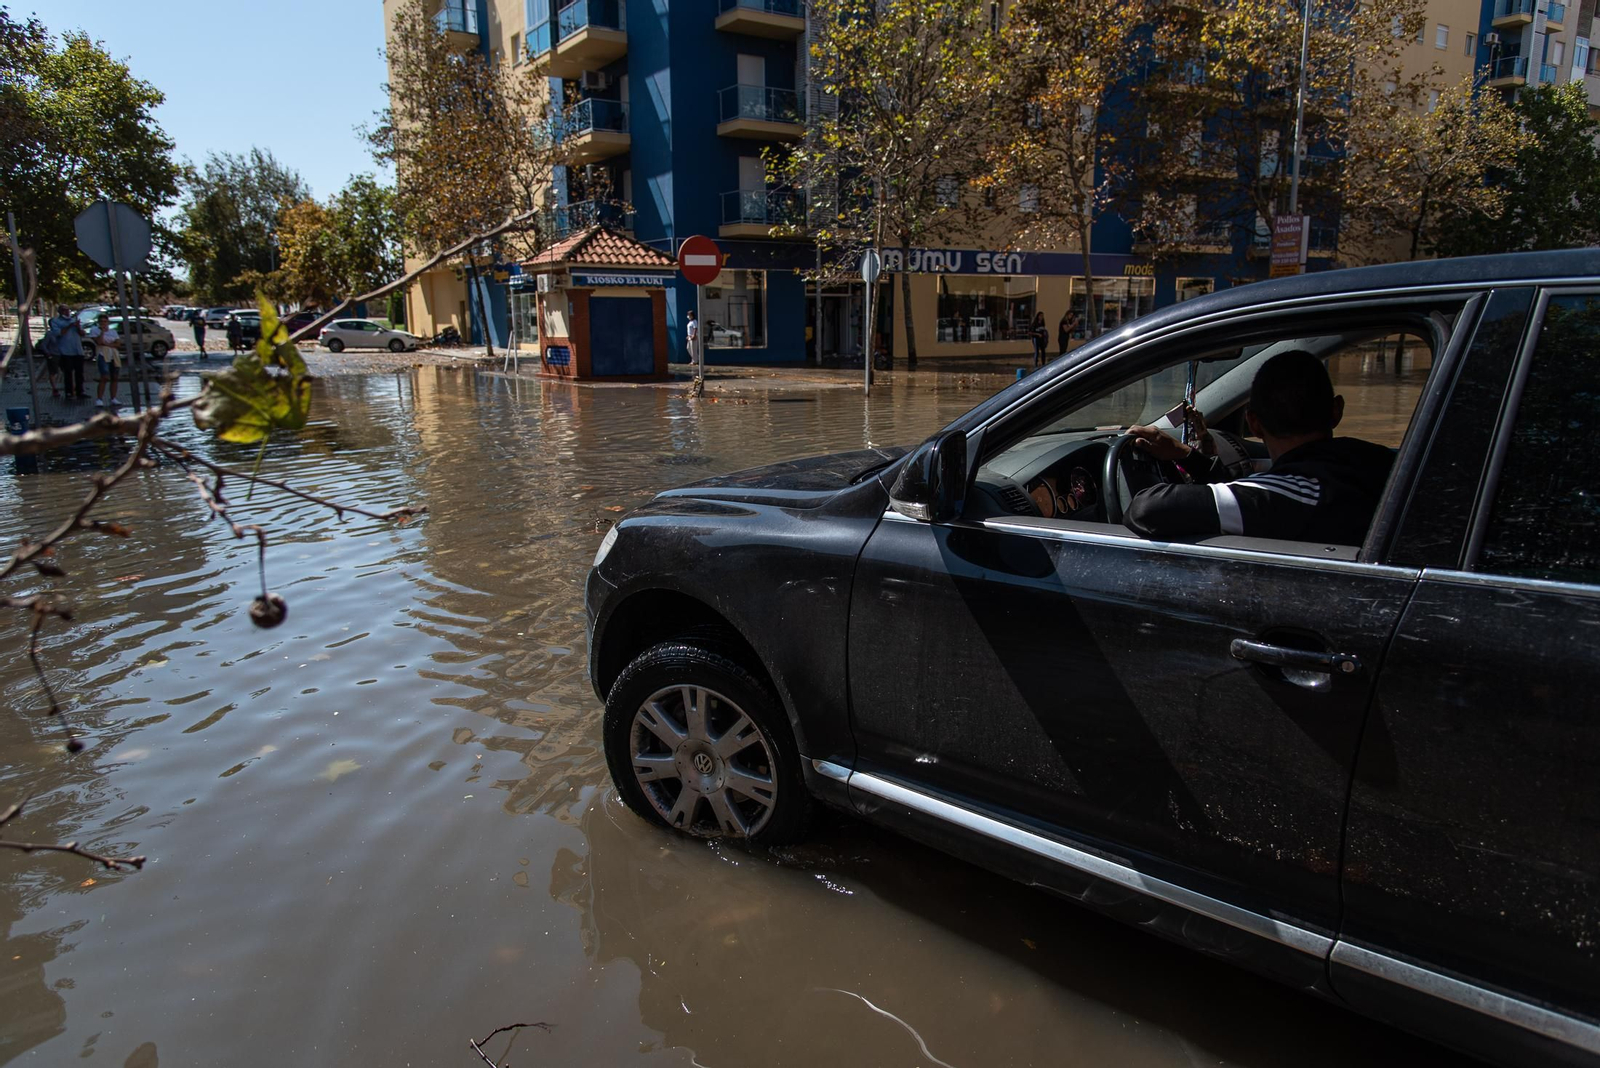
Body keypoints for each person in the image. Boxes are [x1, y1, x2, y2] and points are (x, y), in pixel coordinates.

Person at [1122, 350, 1395, 545]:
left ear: (1253, 424)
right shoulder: (1377, 462)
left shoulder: (1299, 493)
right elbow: (1257, 498)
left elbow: (1146, 511)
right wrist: (1188, 456)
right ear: (1337, 411)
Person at [44, 306, 86, 400]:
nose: (67, 312)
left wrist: (78, 327)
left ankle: (80, 391)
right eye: (64, 310)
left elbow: (83, 334)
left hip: (78, 350)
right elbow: (59, 333)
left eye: (68, 310)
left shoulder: (74, 320)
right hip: (65, 351)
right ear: (60, 312)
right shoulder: (56, 321)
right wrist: (70, 326)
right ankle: (69, 392)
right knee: (68, 373)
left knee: (79, 372)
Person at [89, 312, 121, 409]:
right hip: (103, 354)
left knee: (115, 377)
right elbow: (99, 342)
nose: (103, 323)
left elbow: (118, 343)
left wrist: (108, 344)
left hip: (113, 355)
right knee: (104, 377)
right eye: (101, 322)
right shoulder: (95, 330)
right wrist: (102, 332)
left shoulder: (113, 332)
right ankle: (99, 399)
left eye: (105, 321)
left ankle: (113, 398)